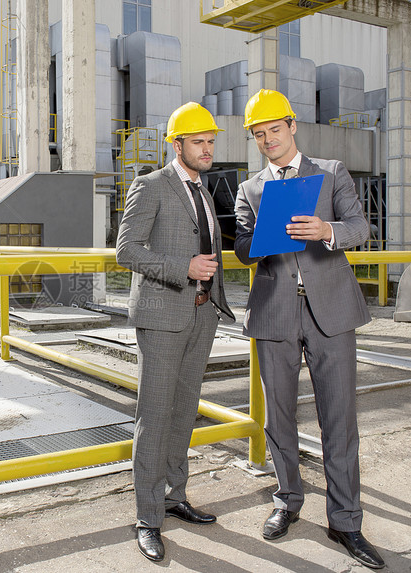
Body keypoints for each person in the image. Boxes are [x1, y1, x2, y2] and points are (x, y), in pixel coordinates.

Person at [234, 89, 385, 570]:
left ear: (292, 126)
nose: (267, 141)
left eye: (273, 131)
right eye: (258, 135)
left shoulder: (331, 172)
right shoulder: (250, 189)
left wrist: (326, 231)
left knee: (339, 419)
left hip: (331, 314)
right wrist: (258, 242)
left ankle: (346, 522)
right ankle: (287, 501)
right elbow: (240, 246)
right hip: (275, 311)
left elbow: (360, 229)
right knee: (278, 418)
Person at [116, 102, 235, 562]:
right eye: (198, 142)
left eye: (211, 142)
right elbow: (127, 250)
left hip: (202, 315)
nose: (207, 150)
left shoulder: (205, 192)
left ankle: (174, 495)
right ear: (176, 144)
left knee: (184, 412)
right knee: (155, 415)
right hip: (163, 316)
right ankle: (148, 517)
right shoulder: (151, 186)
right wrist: (180, 268)